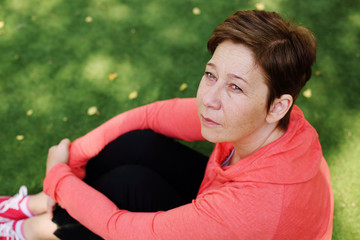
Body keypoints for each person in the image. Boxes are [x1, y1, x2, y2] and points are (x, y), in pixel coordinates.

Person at [0, 10, 333, 240]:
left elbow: (120, 230)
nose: (209, 99)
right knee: (136, 143)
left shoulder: (253, 207)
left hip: (238, 224)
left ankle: (31, 230)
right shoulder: (268, 122)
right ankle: (42, 204)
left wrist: (59, 177)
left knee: (124, 187)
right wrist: (73, 160)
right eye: (211, 75)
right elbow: (151, 116)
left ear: (278, 106)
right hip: (225, 203)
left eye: (235, 87)